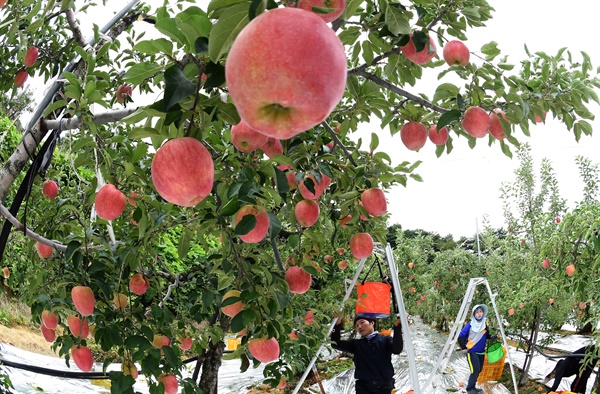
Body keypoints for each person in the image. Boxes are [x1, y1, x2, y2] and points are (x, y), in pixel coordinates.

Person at [330, 311, 403, 394]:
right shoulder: (356, 344)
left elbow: (397, 349)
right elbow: (335, 344)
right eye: (356, 325)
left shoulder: (385, 340)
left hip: (384, 388)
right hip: (363, 388)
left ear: (372, 323)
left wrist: (397, 327)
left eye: (362, 322)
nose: (359, 327)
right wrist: (337, 323)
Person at [458, 304, 492, 394]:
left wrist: (492, 336)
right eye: (477, 312)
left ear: (483, 313)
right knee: (475, 370)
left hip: (481, 352)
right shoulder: (470, 325)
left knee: (479, 370)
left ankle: (473, 387)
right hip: (472, 351)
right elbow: (460, 337)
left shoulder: (485, 324)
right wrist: (464, 348)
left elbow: (487, 335)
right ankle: (469, 389)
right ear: (474, 314)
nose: (479, 314)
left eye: (480, 312)